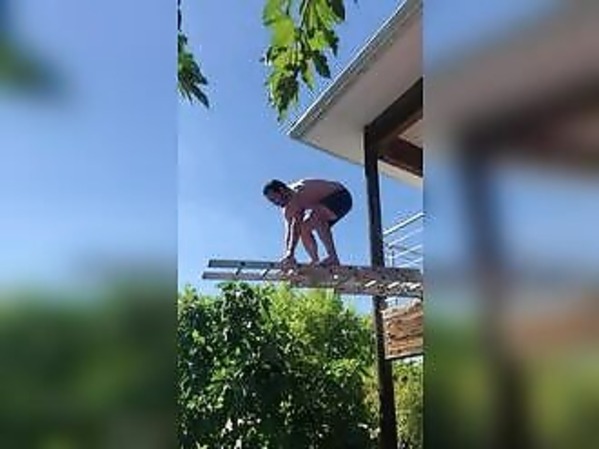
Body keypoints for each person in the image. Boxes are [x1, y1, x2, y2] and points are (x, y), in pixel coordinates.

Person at [263, 178, 353, 267]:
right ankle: (315, 260)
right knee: (303, 228)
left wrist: (291, 252)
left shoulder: (298, 192)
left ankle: (333, 257)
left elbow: (296, 225)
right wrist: (288, 254)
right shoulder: (288, 209)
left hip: (341, 196)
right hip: (325, 207)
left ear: (282, 190)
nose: (274, 203)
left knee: (316, 215)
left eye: (274, 199)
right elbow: (290, 232)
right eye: (271, 201)